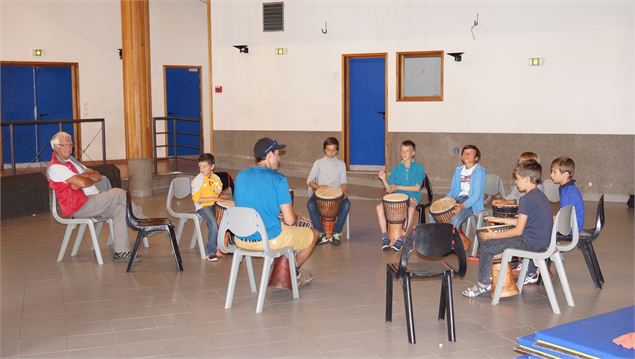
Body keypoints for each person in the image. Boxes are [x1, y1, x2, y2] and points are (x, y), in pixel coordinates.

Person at [46, 131, 143, 263]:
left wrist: (83, 179)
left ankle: (121, 252)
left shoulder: (72, 161)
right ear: (55, 147)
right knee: (119, 193)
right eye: (64, 145)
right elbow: (83, 182)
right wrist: (83, 180)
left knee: (120, 209)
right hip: (79, 206)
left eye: (70, 145)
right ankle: (146, 225)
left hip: (94, 201)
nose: (69, 148)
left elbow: (98, 175)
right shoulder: (55, 167)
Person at [234, 137, 319, 285]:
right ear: (269, 155)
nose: (279, 158)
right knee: (314, 233)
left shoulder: (241, 176)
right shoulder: (278, 179)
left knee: (284, 227)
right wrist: (295, 216)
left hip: (241, 238)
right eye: (278, 154)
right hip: (270, 240)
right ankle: (293, 271)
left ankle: (286, 269)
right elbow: (290, 220)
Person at [461, 160, 552, 297]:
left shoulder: (526, 199)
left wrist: (493, 235)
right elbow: (522, 221)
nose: (515, 182)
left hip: (531, 243)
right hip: (541, 242)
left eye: (517, 179)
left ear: (527, 179)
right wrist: (499, 220)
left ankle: (483, 284)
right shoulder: (540, 196)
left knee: (486, 247)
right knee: (492, 243)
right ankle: (492, 277)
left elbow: (518, 231)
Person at [376, 140, 425, 251]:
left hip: (413, 196)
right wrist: (383, 179)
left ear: (413, 153)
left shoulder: (418, 167)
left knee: (411, 209)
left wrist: (398, 187)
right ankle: (384, 236)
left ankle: (402, 237)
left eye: (407, 151)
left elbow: (417, 187)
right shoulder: (396, 169)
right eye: (402, 150)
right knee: (379, 207)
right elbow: (389, 189)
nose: (404, 153)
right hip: (398, 197)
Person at [306, 137, 350, 246]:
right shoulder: (318, 163)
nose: (331, 152)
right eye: (328, 149)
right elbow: (309, 181)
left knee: (346, 204)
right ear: (324, 150)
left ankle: (336, 232)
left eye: (333, 150)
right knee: (310, 204)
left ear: (337, 150)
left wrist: (342, 192)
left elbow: (344, 182)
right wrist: (318, 188)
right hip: (320, 193)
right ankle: (321, 233)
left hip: (336, 194)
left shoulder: (341, 164)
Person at [191, 153, 229, 262]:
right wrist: (214, 199)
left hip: (212, 204)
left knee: (225, 218)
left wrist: (218, 196)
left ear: (212, 167)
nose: (201, 169)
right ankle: (211, 252)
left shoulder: (216, 178)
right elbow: (197, 199)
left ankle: (223, 246)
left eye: (204, 166)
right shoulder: (198, 180)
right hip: (202, 206)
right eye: (200, 167)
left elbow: (215, 192)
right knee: (213, 224)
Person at [445, 145, 487, 230]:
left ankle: (451, 241)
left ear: (476, 158)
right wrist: (445, 201)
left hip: (471, 203)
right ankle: (436, 238)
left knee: (455, 218)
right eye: (464, 153)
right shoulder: (458, 170)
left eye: (470, 153)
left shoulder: (479, 172)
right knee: (435, 213)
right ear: (461, 157)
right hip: (457, 199)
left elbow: (476, 195)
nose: (466, 154)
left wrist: (463, 205)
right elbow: (453, 190)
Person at [550, 156, 584, 232]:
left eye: (554, 172)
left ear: (565, 175)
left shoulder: (567, 193)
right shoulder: (569, 188)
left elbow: (565, 221)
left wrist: (554, 221)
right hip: (574, 224)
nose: (551, 175)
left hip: (572, 229)